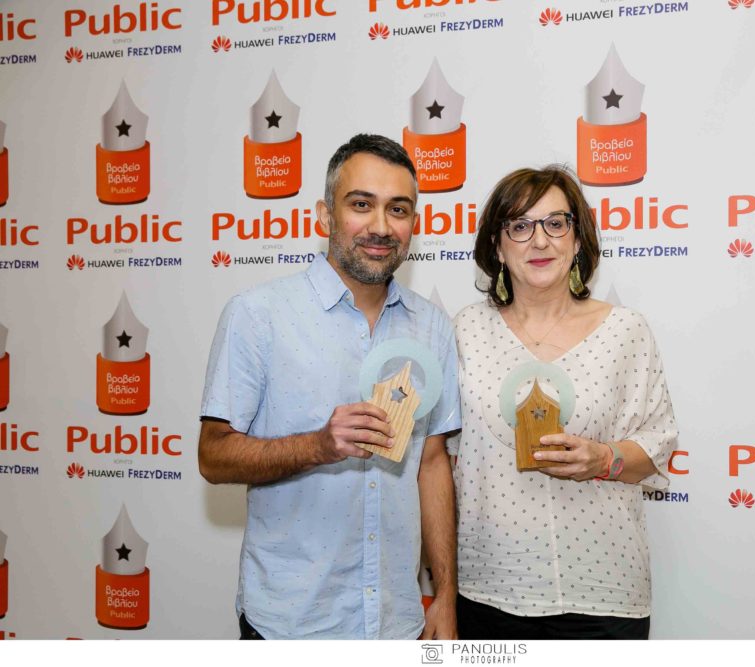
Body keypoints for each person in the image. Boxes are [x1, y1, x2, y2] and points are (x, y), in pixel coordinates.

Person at [198, 134, 460, 640]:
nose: (381, 226)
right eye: (361, 204)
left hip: (396, 623)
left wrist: (445, 595)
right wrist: (318, 446)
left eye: (398, 209)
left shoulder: (432, 327)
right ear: (324, 216)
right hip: (292, 625)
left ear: (415, 223)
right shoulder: (258, 315)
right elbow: (213, 456)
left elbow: (431, 463)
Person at [451, 165, 678, 640]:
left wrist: (604, 459)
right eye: (520, 225)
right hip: (490, 588)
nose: (540, 240)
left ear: (578, 240)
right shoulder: (465, 330)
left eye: (556, 223)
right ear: (497, 245)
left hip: (603, 592)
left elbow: (657, 444)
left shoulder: (625, 331)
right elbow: (439, 456)